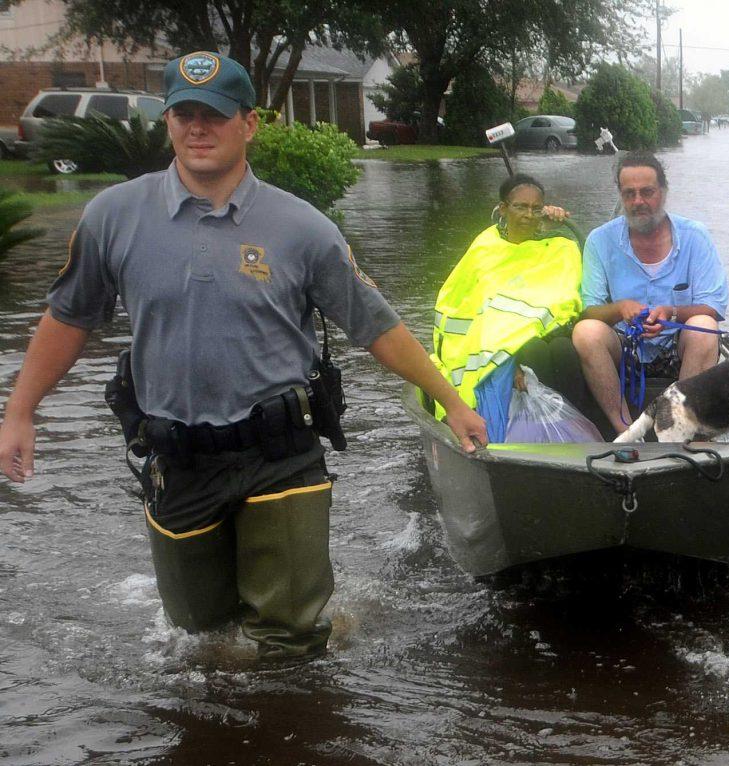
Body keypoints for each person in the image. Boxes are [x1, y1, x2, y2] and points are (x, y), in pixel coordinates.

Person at [0, 51, 486, 659]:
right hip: (176, 456)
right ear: (169, 122)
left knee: (288, 640)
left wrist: (452, 403)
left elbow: (375, 326)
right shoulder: (113, 217)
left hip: (278, 456)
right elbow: (69, 318)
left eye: (215, 115)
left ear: (249, 124)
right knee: (199, 640)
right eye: (184, 114)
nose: (198, 128)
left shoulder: (302, 228)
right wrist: (20, 412)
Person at [572, 152, 729, 434]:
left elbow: (714, 306)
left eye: (647, 192)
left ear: (664, 192)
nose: (638, 202)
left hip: (679, 349)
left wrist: (671, 312)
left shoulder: (695, 236)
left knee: (705, 327)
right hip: (626, 348)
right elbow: (591, 309)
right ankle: (625, 430)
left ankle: (682, 426)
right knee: (586, 331)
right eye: (629, 194)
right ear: (621, 196)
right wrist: (620, 308)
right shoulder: (600, 240)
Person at [431, 173, 584, 441]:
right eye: (520, 207)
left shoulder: (556, 247)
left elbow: (564, 294)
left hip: (545, 331)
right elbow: (466, 304)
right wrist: (509, 357)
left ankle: (572, 429)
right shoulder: (486, 248)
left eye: (536, 208)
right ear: (503, 209)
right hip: (492, 342)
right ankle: (510, 432)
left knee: (564, 351)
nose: (528, 214)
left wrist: (551, 226)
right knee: (532, 353)